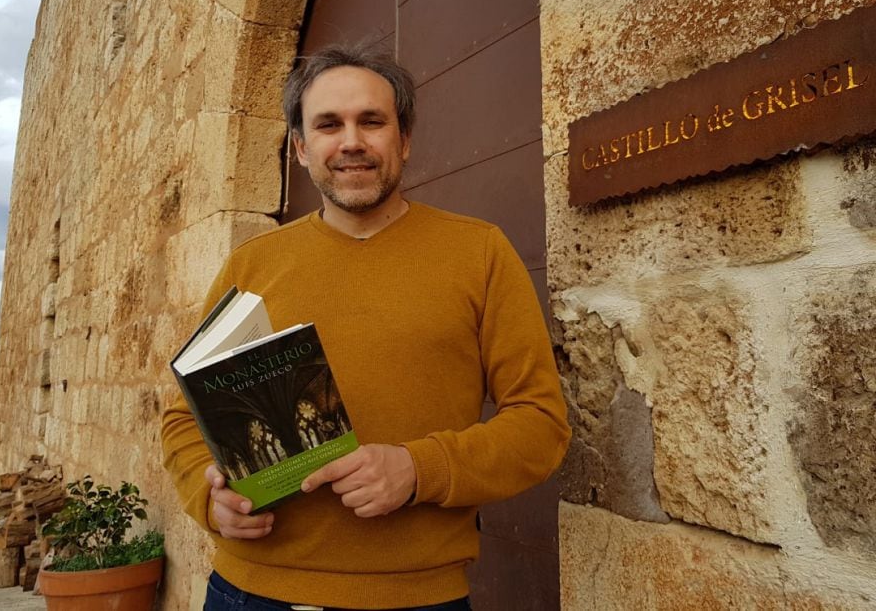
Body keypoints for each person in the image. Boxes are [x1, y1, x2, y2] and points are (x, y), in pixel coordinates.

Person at [161, 45, 571, 611]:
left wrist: (417, 468)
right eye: (328, 125)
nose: (351, 141)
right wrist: (207, 500)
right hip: (249, 594)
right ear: (302, 148)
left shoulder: (479, 253)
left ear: (403, 140)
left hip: (417, 599)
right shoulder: (251, 266)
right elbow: (183, 416)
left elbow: (541, 424)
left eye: (371, 121)